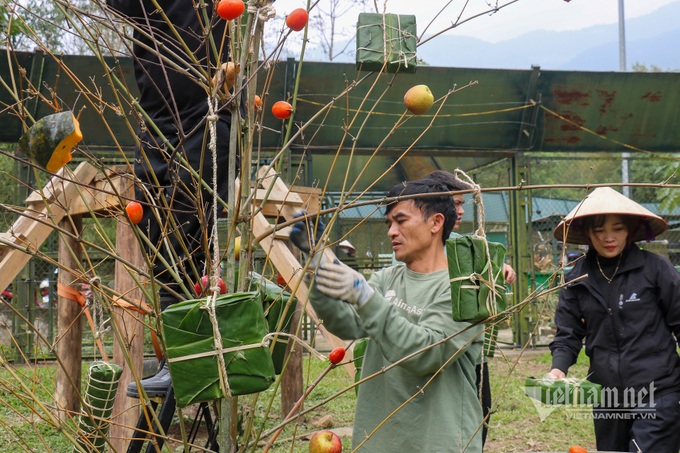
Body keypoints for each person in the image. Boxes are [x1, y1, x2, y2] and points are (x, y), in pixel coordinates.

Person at [291, 172, 485, 452]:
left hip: (438, 443)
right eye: (389, 223)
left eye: (401, 220)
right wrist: (317, 264)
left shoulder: (465, 287)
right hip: (379, 440)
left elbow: (426, 353)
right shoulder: (386, 279)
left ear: (436, 222)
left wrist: (366, 297)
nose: (391, 231)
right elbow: (346, 324)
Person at [105, 0, 234, 397]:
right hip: (156, 117)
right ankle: (173, 361)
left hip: (207, 110)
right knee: (153, 227)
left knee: (186, 226)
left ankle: (188, 357)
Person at [548, 186, 680, 453]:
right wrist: (558, 368)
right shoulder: (577, 278)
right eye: (599, 231)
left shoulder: (655, 269)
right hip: (608, 396)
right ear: (587, 233)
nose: (609, 238)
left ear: (629, 230)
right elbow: (568, 332)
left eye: (617, 229)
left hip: (659, 390)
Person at [420, 169, 517, 447]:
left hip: (473, 351)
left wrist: (496, 269)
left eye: (463, 203)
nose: (460, 210)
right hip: (439, 350)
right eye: (456, 203)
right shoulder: (421, 247)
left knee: (480, 412)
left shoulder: (462, 244)